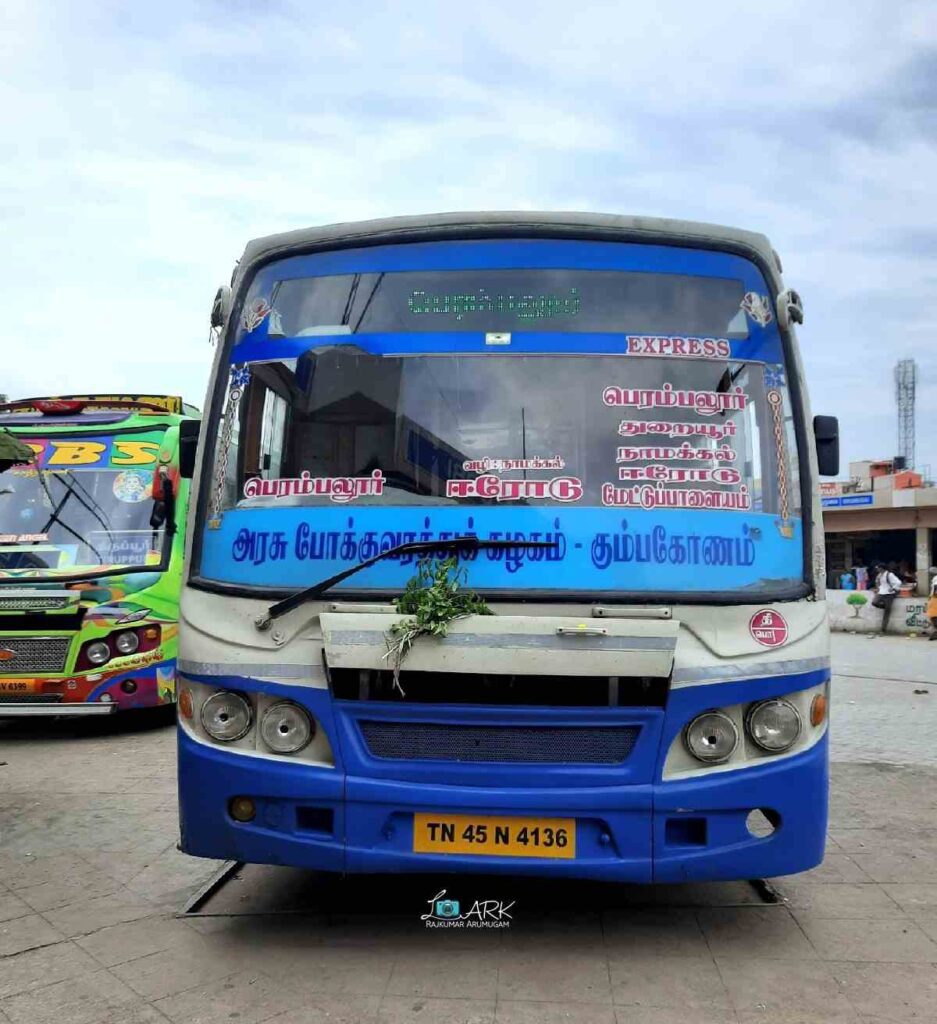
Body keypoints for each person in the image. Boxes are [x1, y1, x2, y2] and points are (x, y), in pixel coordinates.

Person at [873, 562, 902, 635]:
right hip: (881, 592)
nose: (877, 570)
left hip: (889, 594)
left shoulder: (890, 574)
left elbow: (898, 582)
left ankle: (883, 630)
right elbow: (878, 583)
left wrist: (893, 588)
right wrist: (877, 588)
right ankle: (885, 606)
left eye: (878, 568)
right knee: (874, 602)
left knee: (887, 613)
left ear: (881, 568)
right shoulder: (879, 575)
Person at [927, 567, 937, 642]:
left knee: (933, 616)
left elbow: (936, 588)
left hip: (935, 598)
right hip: (934, 597)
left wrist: (933, 596)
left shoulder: (935, 578)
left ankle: (935, 633)